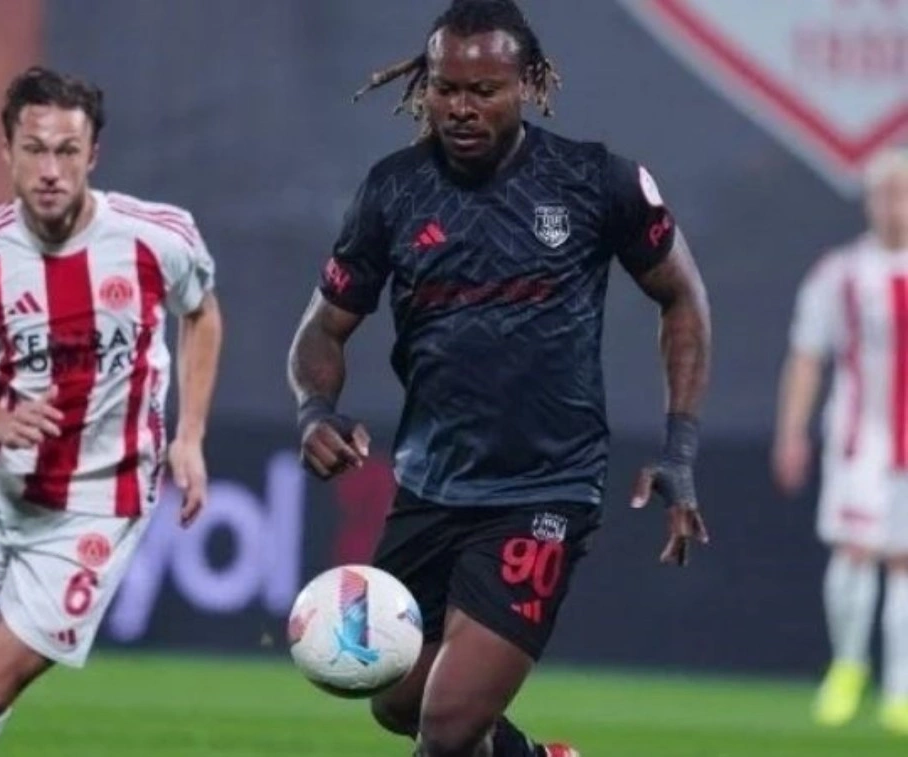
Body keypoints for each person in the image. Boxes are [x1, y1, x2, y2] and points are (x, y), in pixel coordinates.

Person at [285, 2, 713, 755]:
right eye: (446, 88)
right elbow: (322, 326)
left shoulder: (594, 181)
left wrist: (679, 450)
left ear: (529, 85)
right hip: (430, 486)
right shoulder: (393, 191)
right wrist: (316, 409)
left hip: (544, 489)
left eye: (484, 90)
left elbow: (683, 296)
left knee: (448, 726)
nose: (461, 108)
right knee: (397, 699)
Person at [0, 66, 223, 756]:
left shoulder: (157, 237)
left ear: (93, 155)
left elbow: (202, 314)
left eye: (67, 150)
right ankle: (1, 635)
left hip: (101, 503)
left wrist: (190, 435)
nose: (51, 170)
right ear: (8, 152)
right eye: (34, 149)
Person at [773, 145, 908, 735]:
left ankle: (900, 689)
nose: (893, 205)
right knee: (854, 549)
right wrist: (792, 431)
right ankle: (849, 666)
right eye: (884, 194)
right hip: (859, 440)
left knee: (904, 561)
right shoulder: (841, 272)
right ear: (869, 201)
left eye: (902, 193)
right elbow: (808, 355)